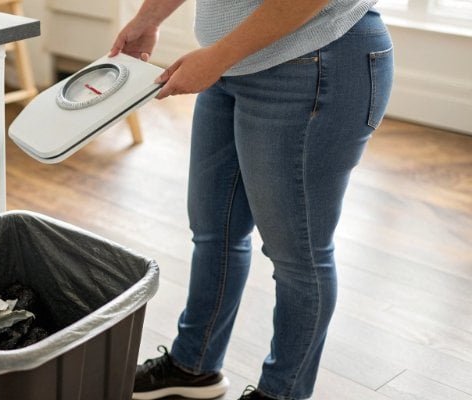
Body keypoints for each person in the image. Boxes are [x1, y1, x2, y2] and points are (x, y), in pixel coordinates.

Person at [109, 0, 394, 399]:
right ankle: (193, 366)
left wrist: (217, 57)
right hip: (231, 63)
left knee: (298, 255)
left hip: (314, 59)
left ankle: (281, 393)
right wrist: (148, 19)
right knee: (214, 231)